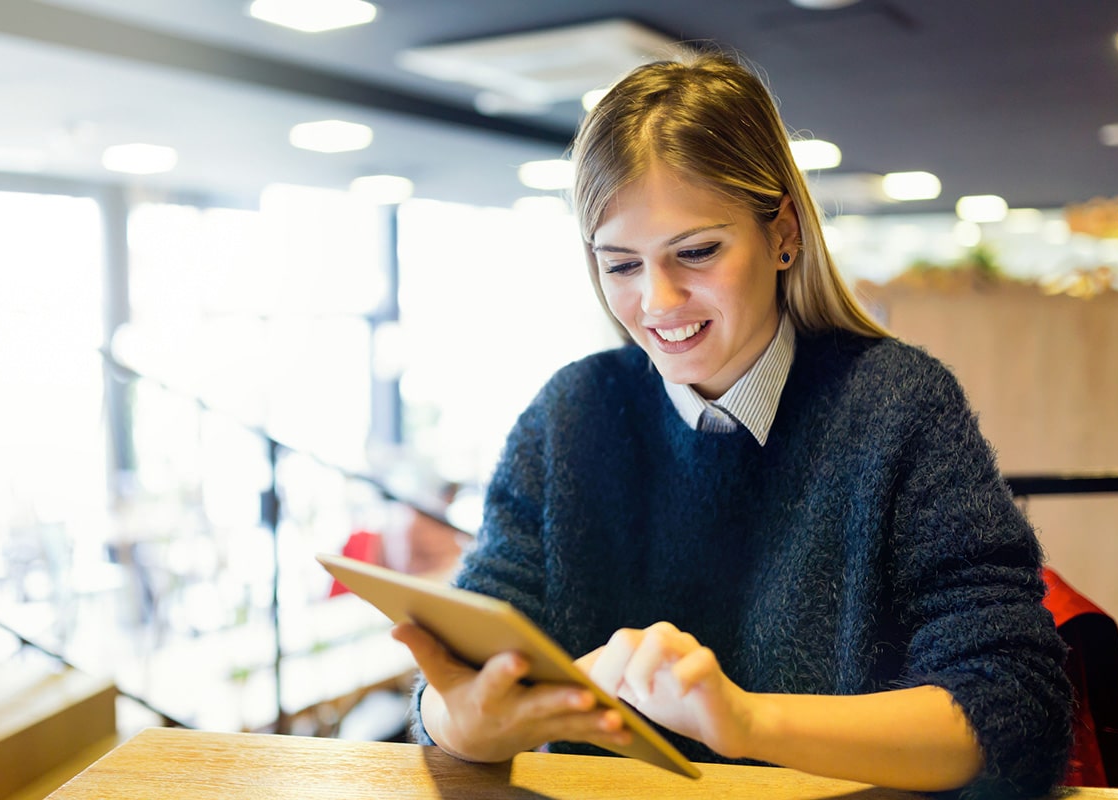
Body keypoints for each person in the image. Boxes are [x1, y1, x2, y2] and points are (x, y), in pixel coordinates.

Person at [392, 49, 1072, 799]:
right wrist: (461, 720)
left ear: (782, 233)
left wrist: (745, 723)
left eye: (697, 252)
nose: (657, 301)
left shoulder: (898, 406)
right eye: (620, 265)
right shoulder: (568, 416)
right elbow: (460, 676)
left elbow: (1015, 710)